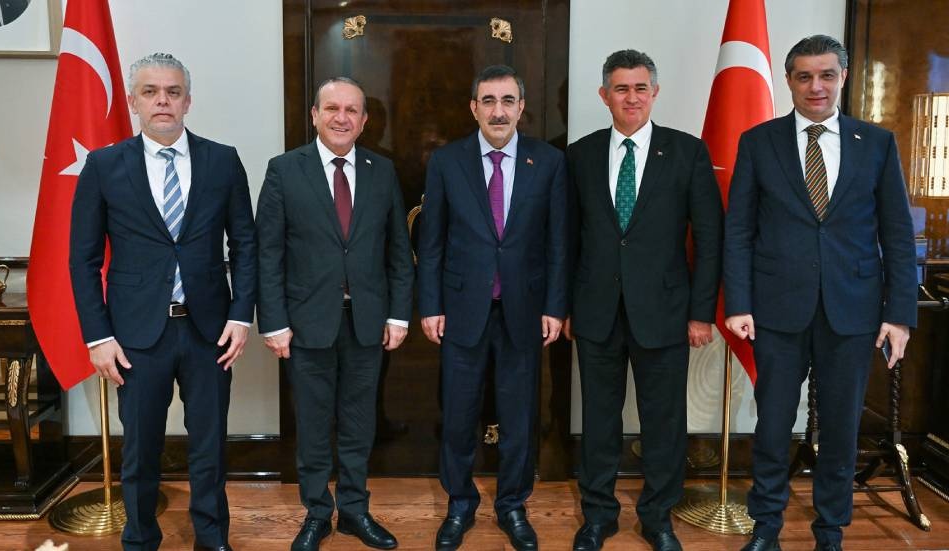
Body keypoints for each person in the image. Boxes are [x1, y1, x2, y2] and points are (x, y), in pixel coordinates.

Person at [724, 35, 917, 551]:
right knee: (771, 426)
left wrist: (899, 314)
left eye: (827, 75)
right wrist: (738, 302)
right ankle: (766, 527)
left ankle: (830, 532)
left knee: (840, 429)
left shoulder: (876, 143)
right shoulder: (758, 142)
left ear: (843, 77)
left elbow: (898, 235)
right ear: (789, 80)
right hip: (776, 311)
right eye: (805, 76)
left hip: (852, 313)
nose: (816, 86)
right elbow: (738, 230)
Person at [69, 52, 256, 551]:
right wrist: (98, 337)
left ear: (188, 101)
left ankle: (212, 538)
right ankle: (140, 540)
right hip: (135, 336)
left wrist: (241, 315)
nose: (163, 101)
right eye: (150, 92)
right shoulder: (104, 166)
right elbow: (83, 259)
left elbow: (246, 244)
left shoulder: (222, 160)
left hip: (209, 331)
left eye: (173, 92)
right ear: (133, 101)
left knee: (210, 447)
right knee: (140, 450)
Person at [564, 49, 723, 551]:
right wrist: (565, 306)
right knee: (599, 421)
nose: (630, 98)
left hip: (666, 313)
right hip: (596, 311)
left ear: (654, 93)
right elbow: (567, 239)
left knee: (664, 422)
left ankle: (657, 517)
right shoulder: (580, 155)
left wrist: (701, 313)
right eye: (620, 88)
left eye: (639, 88)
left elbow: (710, 240)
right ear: (604, 95)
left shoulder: (687, 152)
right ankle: (598, 515)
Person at [255, 76, 413, 551]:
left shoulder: (382, 171)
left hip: (367, 321)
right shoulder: (285, 170)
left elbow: (398, 250)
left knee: (359, 422)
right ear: (315, 115)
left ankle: (355, 511)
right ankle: (317, 514)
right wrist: (274, 322)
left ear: (364, 121)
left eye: (351, 111)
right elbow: (268, 253)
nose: (341, 118)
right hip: (306, 322)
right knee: (313, 424)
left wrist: (399, 315)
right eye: (331, 109)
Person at [416, 64, 567, 551]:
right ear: (473, 108)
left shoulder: (549, 162)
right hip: (462, 309)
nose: (498, 111)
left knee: (519, 417)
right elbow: (432, 241)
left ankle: (513, 505)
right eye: (488, 101)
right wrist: (430, 304)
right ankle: (459, 504)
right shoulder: (447, 161)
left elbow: (559, 243)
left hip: (525, 310)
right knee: (459, 415)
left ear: (521, 107)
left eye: (507, 101)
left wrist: (555, 306)